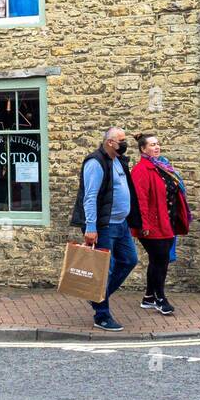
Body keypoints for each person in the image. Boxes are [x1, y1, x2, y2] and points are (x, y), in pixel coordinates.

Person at [71, 127, 142, 332]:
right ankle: (101, 315)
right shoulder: (95, 162)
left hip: (121, 224)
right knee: (104, 270)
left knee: (129, 260)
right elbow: (90, 197)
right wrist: (91, 227)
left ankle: (97, 298)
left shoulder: (118, 161)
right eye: (121, 140)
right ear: (110, 142)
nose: (125, 143)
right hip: (104, 226)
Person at [129, 132, 191, 316]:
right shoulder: (142, 170)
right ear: (143, 149)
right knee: (160, 260)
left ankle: (148, 297)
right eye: (152, 145)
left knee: (159, 260)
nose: (156, 147)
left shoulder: (162, 166)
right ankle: (159, 298)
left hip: (167, 222)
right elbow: (140, 200)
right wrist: (144, 225)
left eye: (157, 144)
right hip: (152, 225)